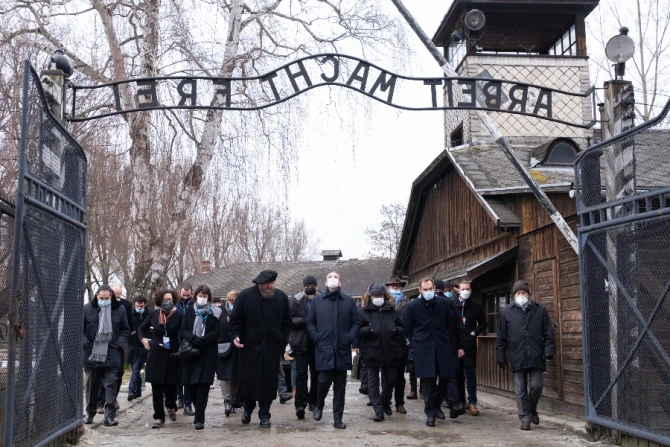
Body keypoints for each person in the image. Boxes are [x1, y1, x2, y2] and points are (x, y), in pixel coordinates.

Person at [229, 270, 292, 429]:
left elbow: (287, 322)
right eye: (267, 284)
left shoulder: (281, 297)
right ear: (259, 284)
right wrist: (236, 336)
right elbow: (235, 321)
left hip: (272, 347)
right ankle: (247, 409)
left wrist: (282, 339)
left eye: (272, 283)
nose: (270, 286)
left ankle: (265, 414)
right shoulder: (245, 296)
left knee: (268, 382)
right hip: (249, 348)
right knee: (249, 381)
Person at [405, 278, 465, 427]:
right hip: (423, 348)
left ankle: (436, 403)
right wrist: (415, 344)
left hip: (442, 346)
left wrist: (454, 345)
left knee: (446, 378)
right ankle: (430, 413)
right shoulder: (412, 306)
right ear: (420, 290)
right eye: (425, 289)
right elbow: (409, 328)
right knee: (428, 383)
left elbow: (450, 325)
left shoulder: (444, 303)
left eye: (430, 289)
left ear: (434, 288)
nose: (428, 292)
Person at [497, 280, 555, 431]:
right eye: (518, 293)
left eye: (524, 293)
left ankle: (532, 409)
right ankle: (525, 418)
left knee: (536, 386)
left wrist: (549, 350)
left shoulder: (540, 310)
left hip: (536, 354)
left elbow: (549, 333)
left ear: (529, 294)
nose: (521, 295)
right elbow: (501, 337)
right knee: (520, 390)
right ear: (514, 295)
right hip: (517, 355)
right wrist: (500, 355)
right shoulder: (506, 312)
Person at [307, 272, 360, 429]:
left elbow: (356, 322)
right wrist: (317, 338)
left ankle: (338, 418)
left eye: (336, 277)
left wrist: (349, 337)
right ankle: (319, 405)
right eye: (330, 277)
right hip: (324, 349)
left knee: (340, 387)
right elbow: (310, 322)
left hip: (342, 349)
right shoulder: (317, 301)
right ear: (325, 283)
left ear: (340, 282)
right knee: (323, 381)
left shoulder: (348, 301)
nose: (333, 279)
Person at [83, 285, 130, 427]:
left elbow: (125, 329)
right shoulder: (87, 309)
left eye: (107, 298)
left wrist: (119, 344)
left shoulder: (119, 309)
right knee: (92, 386)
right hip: (92, 353)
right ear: (96, 296)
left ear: (111, 297)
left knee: (111, 385)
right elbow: (80, 329)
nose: (104, 301)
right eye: (101, 298)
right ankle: (90, 413)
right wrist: (85, 343)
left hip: (112, 352)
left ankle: (109, 416)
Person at [358, 283, 404, 422]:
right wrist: (369, 330)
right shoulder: (363, 312)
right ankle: (378, 411)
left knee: (391, 379)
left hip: (390, 350)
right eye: (375, 296)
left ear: (384, 296)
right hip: (371, 351)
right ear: (370, 297)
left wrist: (395, 330)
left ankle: (384, 401)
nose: (378, 298)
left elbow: (402, 327)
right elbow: (357, 330)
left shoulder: (392, 311)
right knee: (373, 382)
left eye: (380, 295)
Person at [180, 284, 222, 430]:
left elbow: (218, 331)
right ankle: (198, 409)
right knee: (191, 385)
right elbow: (183, 330)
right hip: (192, 351)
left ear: (208, 297)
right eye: (200, 296)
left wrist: (204, 340)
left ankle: (199, 419)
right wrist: (193, 338)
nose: (202, 298)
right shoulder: (190, 311)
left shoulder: (216, 312)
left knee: (203, 385)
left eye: (205, 296)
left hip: (208, 351)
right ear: (195, 296)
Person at [139, 289, 183, 428]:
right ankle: (159, 417)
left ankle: (170, 404)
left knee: (170, 385)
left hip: (172, 352)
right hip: (156, 352)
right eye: (165, 299)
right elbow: (141, 329)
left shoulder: (179, 315)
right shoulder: (154, 314)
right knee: (156, 386)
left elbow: (185, 332)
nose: (167, 301)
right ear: (160, 300)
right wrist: (143, 339)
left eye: (170, 299)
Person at [453, 279, 487, 416]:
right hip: (456, 344)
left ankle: (472, 402)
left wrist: (474, 332)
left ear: (471, 290)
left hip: (469, 343)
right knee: (458, 373)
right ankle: (461, 401)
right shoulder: (452, 304)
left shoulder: (476, 305)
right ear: (458, 290)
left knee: (470, 372)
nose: (466, 291)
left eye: (468, 289)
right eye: (463, 289)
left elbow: (483, 323)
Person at [289, 275, 320, 419]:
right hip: (300, 343)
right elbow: (289, 320)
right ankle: (300, 404)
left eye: (312, 286)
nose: (310, 288)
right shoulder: (295, 300)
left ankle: (314, 401)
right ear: (303, 287)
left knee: (316, 374)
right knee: (301, 375)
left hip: (316, 343)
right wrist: (305, 321)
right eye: (308, 286)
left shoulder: (321, 299)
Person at [386, 276, 410, 414]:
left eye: (398, 285)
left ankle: (399, 403)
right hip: (387, 343)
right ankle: (386, 400)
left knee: (400, 377)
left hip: (402, 343)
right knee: (388, 376)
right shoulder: (384, 302)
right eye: (392, 285)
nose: (395, 287)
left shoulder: (407, 303)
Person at [218, 290, 240, 417]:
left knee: (235, 376)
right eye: (231, 301)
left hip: (237, 347)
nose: (232, 304)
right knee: (224, 376)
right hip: (223, 347)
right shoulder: (220, 311)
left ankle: (232, 401)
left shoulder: (241, 311)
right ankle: (227, 401)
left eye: (234, 302)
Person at [176, 283, 195, 415]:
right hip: (176, 343)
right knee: (177, 375)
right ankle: (180, 398)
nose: (185, 298)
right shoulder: (175, 306)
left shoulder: (194, 306)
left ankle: (188, 404)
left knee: (188, 376)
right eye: (183, 295)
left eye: (188, 295)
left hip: (189, 343)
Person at [127, 295, 149, 401]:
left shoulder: (149, 314)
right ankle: (138, 390)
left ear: (145, 305)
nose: (139, 308)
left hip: (144, 345)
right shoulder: (130, 315)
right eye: (137, 306)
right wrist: (130, 332)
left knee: (136, 368)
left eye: (141, 306)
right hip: (133, 345)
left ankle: (131, 390)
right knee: (134, 368)